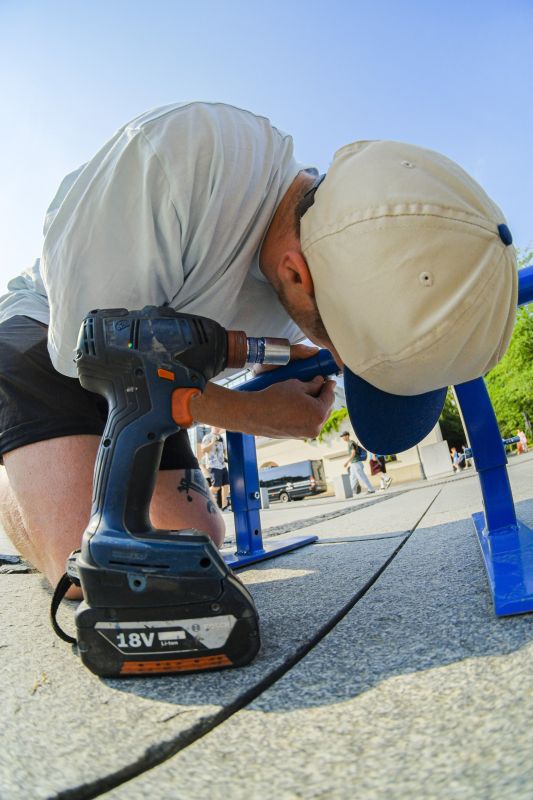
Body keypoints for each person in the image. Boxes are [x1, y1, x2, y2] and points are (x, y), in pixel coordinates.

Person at [0, 101, 518, 598]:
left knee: (197, 542)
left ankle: (42, 474)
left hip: (157, 373)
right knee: (88, 572)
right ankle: (15, 469)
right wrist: (251, 414)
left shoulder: (314, 273)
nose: (336, 360)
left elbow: (180, 369)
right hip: (48, 332)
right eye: (337, 343)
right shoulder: (180, 159)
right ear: (295, 271)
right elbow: (89, 356)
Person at [201, 427, 231, 510]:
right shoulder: (207, 437)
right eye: (216, 426)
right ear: (212, 427)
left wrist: (226, 459)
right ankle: (202, 497)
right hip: (213, 465)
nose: (218, 428)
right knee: (216, 487)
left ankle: (224, 506)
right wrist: (213, 442)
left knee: (226, 485)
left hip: (222, 465)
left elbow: (223, 451)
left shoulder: (222, 438)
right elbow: (203, 450)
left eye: (219, 427)